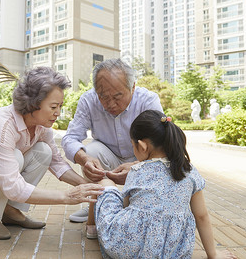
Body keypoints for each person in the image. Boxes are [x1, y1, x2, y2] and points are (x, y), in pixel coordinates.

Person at [0, 67, 103, 240]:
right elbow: (12, 186)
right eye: (53, 107)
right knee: (15, 157)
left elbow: (57, 164)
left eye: (60, 106)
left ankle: (9, 211)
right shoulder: (2, 125)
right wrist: (66, 197)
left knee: (43, 152)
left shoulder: (42, 127)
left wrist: (87, 187)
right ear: (33, 104)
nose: (58, 113)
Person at [93, 110, 237, 259]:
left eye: (132, 145)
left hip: (128, 250)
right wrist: (213, 254)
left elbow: (125, 207)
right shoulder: (189, 171)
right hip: (173, 252)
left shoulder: (137, 171)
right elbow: (201, 216)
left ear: (142, 146)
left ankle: (91, 227)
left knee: (105, 183)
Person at [61, 58, 163, 230]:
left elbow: (163, 145)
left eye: (117, 96)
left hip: (141, 159)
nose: (110, 104)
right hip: (108, 157)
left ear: (132, 87)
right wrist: (84, 158)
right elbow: (70, 138)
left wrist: (139, 166)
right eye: (103, 97)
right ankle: (97, 205)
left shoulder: (148, 101)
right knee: (91, 150)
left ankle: (134, 205)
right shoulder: (88, 100)